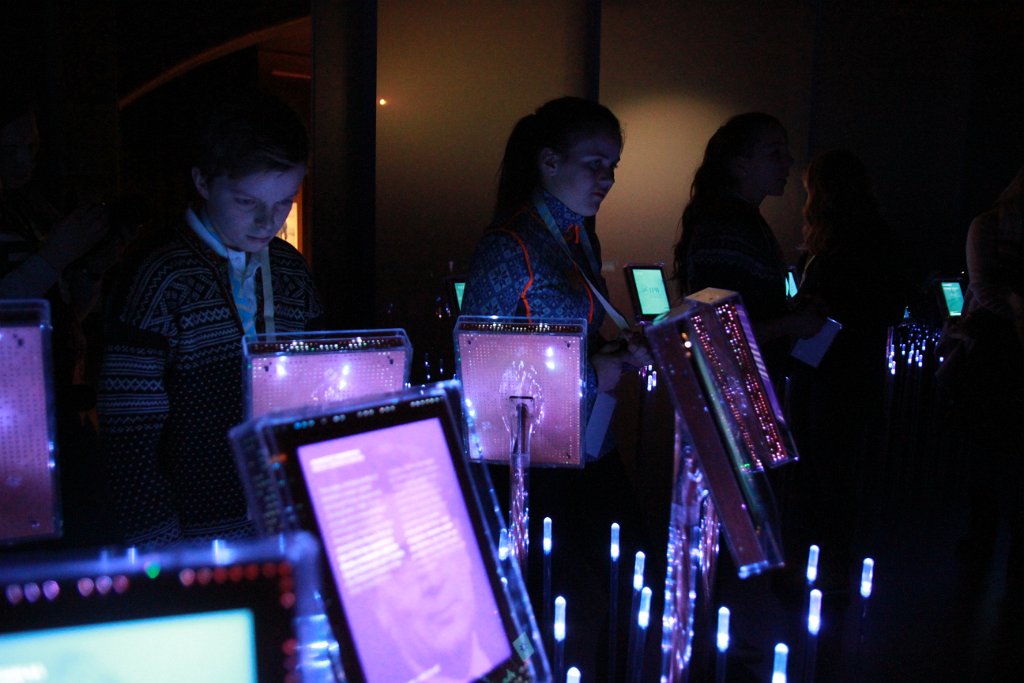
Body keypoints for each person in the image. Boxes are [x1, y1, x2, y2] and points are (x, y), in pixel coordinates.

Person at [461, 96, 649, 679]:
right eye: (594, 163)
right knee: (546, 597)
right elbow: (479, 370)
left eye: (613, 165)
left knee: (629, 572)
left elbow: (567, 339)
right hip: (533, 461)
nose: (607, 178)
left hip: (587, 442)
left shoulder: (577, 236)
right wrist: (597, 373)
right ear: (548, 161)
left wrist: (615, 351)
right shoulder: (509, 243)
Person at [97, 92, 322, 548]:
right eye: (246, 201)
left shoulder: (291, 270)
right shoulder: (161, 277)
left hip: (287, 525)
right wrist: (162, 556)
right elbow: (129, 440)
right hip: (193, 537)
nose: (268, 221)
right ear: (202, 181)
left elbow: (319, 392)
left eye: (284, 202)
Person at [786, 149, 906, 587]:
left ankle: (814, 569)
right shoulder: (879, 239)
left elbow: (823, 310)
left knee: (820, 472)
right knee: (841, 472)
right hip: (859, 369)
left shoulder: (836, 248)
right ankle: (832, 569)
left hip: (827, 373)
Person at [672, 112, 823, 381]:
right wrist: (791, 322)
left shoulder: (740, 219)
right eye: (775, 153)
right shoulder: (726, 225)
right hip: (736, 390)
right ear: (740, 166)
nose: (788, 161)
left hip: (743, 386)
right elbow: (717, 329)